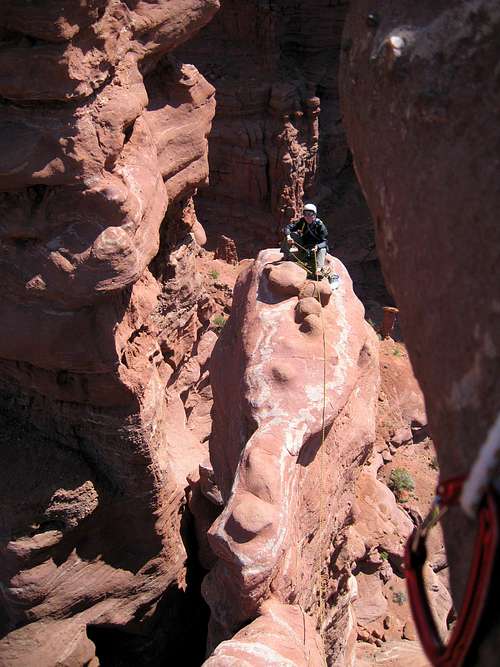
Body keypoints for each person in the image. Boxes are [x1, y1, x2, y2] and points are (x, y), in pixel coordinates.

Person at [281, 203, 329, 274]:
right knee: (292, 235)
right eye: (305, 214)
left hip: (316, 249)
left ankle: (318, 269)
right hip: (304, 245)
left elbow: (325, 242)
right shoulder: (302, 221)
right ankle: (286, 255)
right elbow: (288, 228)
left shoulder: (320, 226)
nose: (307, 216)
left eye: (310, 214)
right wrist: (288, 236)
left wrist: (317, 246)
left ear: (314, 215)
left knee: (323, 249)